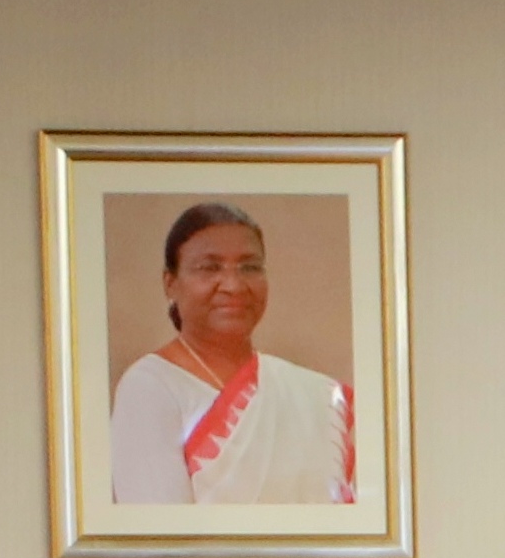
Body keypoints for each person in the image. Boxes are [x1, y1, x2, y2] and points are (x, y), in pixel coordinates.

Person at [109, 202, 353, 506]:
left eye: (249, 267)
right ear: (170, 284)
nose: (234, 285)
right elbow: (162, 537)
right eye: (209, 268)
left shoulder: (311, 394)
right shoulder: (150, 386)